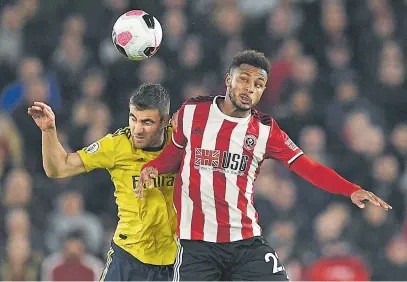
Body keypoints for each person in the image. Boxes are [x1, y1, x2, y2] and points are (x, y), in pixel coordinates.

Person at [136, 50, 392, 281]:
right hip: (196, 245)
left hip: (245, 243)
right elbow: (175, 152)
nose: (249, 89)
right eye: (244, 80)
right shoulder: (193, 111)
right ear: (228, 80)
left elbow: (308, 167)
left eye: (258, 85)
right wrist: (155, 166)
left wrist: (350, 189)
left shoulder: (266, 131)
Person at [28, 83, 177, 281]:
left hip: (174, 259)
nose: (138, 129)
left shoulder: (180, 142)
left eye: (147, 122)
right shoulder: (116, 145)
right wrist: (48, 131)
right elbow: (59, 168)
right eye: (133, 118)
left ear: (164, 120)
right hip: (128, 257)